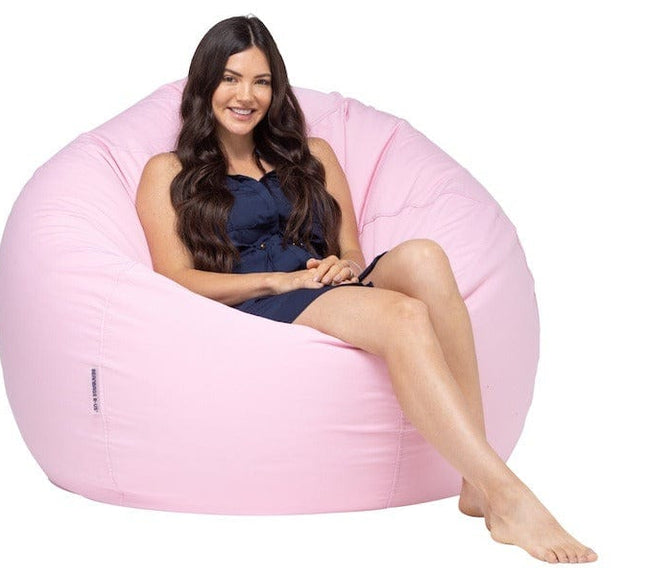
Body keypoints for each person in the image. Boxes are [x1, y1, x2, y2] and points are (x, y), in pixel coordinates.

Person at [135, 14, 597, 564]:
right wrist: (281, 279)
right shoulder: (168, 172)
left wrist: (340, 266)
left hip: (324, 280)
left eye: (261, 81)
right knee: (403, 317)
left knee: (424, 255)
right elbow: (175, 278)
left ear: (276, 89)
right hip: (263, 298)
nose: (245, 95)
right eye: (231, 78)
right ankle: (508, 495)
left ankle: (478, 482)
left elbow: (351, 249)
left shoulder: (314, 156)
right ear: (205, 83)